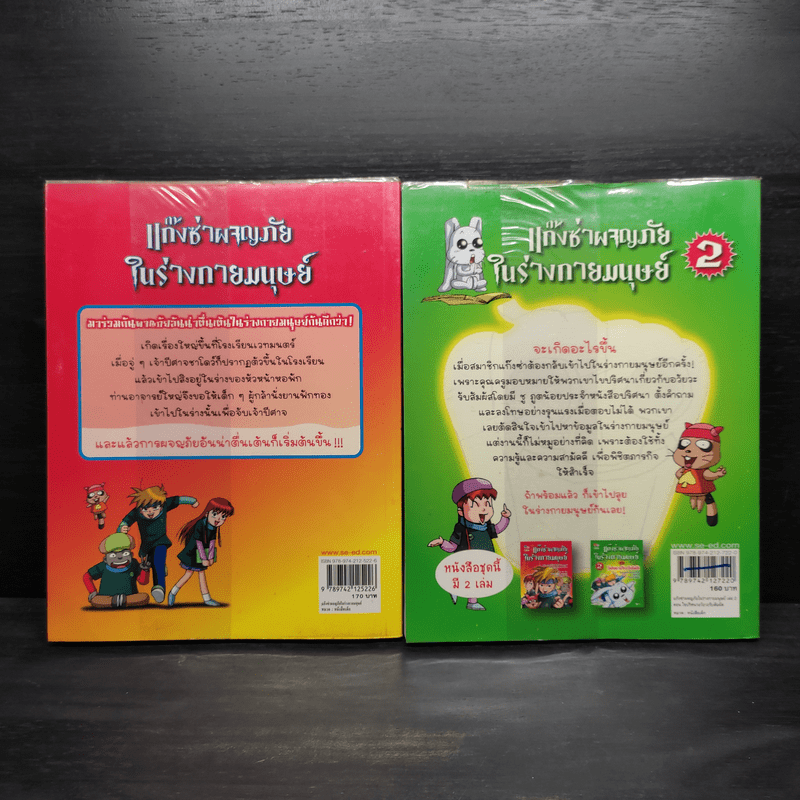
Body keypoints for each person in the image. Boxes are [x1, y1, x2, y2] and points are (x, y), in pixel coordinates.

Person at [428, 477, 511, 611]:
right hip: (468, 564)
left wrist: (505, 518)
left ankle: (460, 592)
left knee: (479, 580)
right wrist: (442, 543)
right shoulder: (461, 529)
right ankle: (469, 599)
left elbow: (498, 528)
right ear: (461, 511)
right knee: (472, 580)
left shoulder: (486, 526)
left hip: (486, 563)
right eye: (476, 505)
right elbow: (453, 546)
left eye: (488, 504)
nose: (484, 509)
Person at [116, 485, 198, 604]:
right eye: (145, 509)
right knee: (150, 565)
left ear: (160, 505)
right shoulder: (137, 512)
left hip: (160, 542)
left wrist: (193, 501)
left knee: (158, 562)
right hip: (145, 546)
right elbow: (125, 521)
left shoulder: (165, 505)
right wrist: (121, 528)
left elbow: (178, 500)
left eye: (155, 507)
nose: (150, 511)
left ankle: (159, 588)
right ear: (140, 508)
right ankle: (161, 568)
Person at [168, 498, 234, 607]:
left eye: (223, 517)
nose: (219, 519)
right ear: (207, 513)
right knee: (189, 574)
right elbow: (198, 542)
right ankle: (173, 593)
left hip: (201, 553)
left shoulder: (214, 527)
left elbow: (212, 541)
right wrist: (204, 558)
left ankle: (206, 598)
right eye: (215, 514)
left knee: (199, 574)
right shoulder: (200, 524)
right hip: (192, 553)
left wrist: (211, 557)